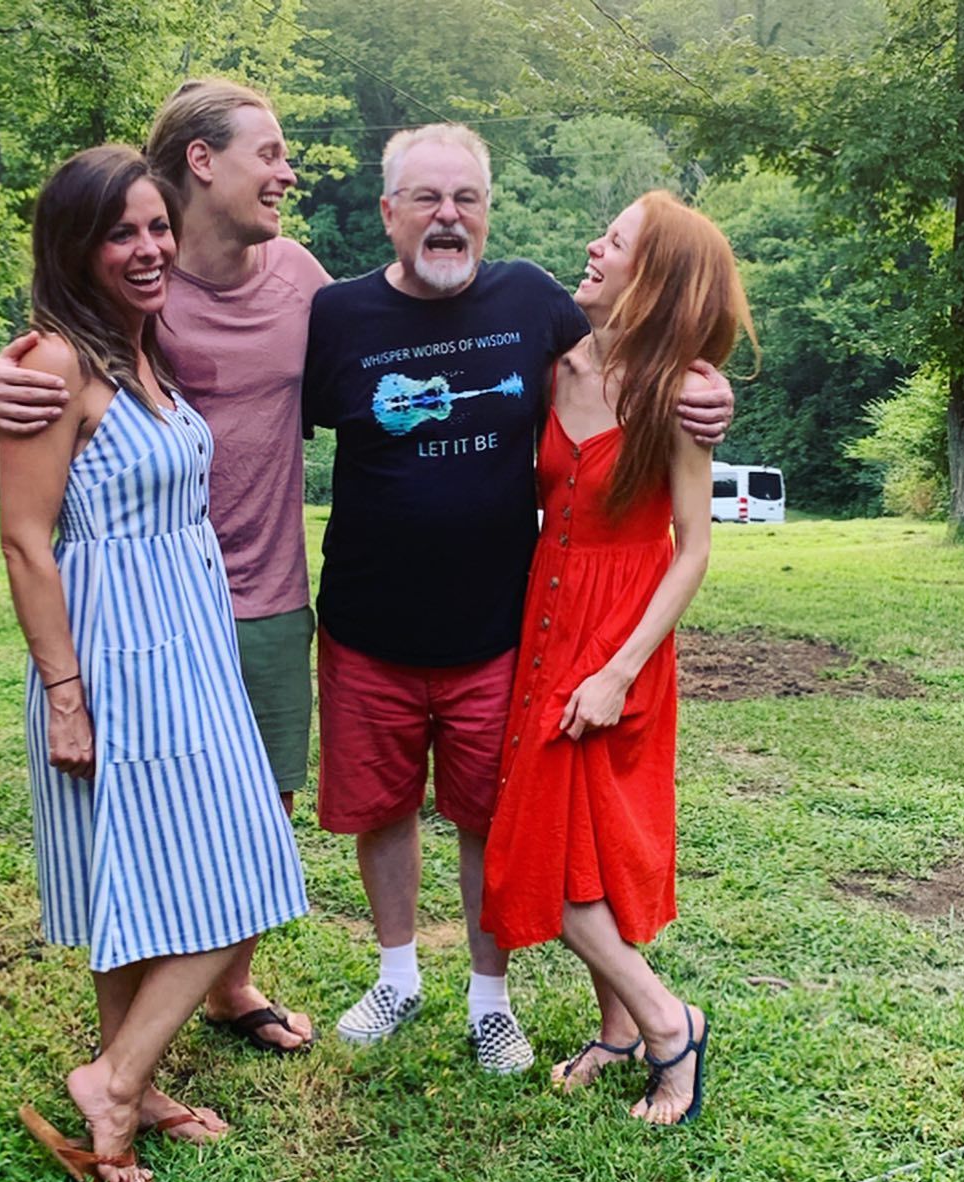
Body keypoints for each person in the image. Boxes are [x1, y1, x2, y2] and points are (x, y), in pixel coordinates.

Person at [302, 126, 735, 1074]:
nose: (448, 216)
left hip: (506, 629)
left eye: (467, 198)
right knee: (387, 809)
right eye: (427, 198)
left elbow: (655, 355)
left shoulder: (534, 302)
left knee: (499, 821)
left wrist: (710, 389)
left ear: (488, 213)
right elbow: (252, 401)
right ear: (388, 211)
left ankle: (497, 1000)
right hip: (377, 623)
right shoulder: (338, 315)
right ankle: (400, 976)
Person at [0, 79, 327, 1054]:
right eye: (270, 152)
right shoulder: (130, 304)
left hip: (256, 593)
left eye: (153, 230)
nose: (286, 172)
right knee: (146, 837)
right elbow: (50, 385)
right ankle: (125, 1065)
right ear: (202, 162)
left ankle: (227, 991)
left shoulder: (296, 278)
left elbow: (391, 352)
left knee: (261, 813)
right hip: (136, 623)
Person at [480, 191, 757, 1123]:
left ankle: (669, 1024)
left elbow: (694, 549)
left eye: (617, 241)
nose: (593, 248)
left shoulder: (678, 395)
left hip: (620, 639)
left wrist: (619, 670)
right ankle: (619, 1031)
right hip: (547, 623)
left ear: (657, 277)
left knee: (543, 857)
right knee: (578, 847)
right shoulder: (553, 365)